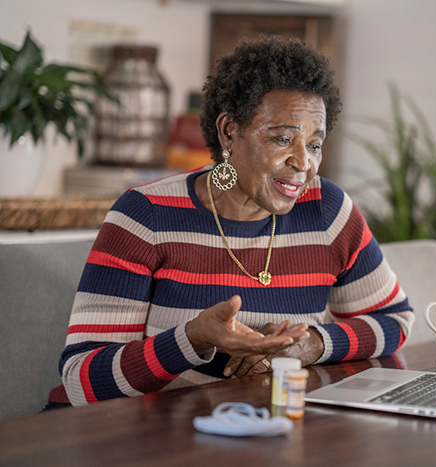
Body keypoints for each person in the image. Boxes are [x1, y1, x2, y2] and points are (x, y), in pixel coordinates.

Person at [46, 37, 414, 408]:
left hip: (252, 430)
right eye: (283, 138)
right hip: (135, 439)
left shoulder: (326, 211)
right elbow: (81, 380)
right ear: (228, 132)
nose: (303, 163)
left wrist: (313, 344)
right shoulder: (146, 214)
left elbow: (395, 320)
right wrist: (193, 339)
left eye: (314, 144)